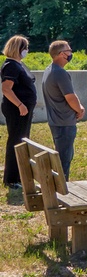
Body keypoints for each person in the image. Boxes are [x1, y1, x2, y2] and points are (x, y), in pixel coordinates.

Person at [41, 40, 85, 179]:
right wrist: (80, 109)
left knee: (62, 158)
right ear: (61, 54)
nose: (71, 53)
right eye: (69, 51)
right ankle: (62, 192)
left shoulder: (50, 70)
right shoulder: (60, 73)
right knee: (63, 162)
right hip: (64, 123)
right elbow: (70, 97)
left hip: (56, 122)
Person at [1, 35, 36, 190]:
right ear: (18, 49)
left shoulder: (19, 64)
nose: (27, 51)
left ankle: (19, 175)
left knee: (22, 140)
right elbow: (6, 89)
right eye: (25, 48)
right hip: (17, 109)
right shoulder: (11, 66)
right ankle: (11, 178)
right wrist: (20, 104)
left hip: (24, 109)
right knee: (16, 141)